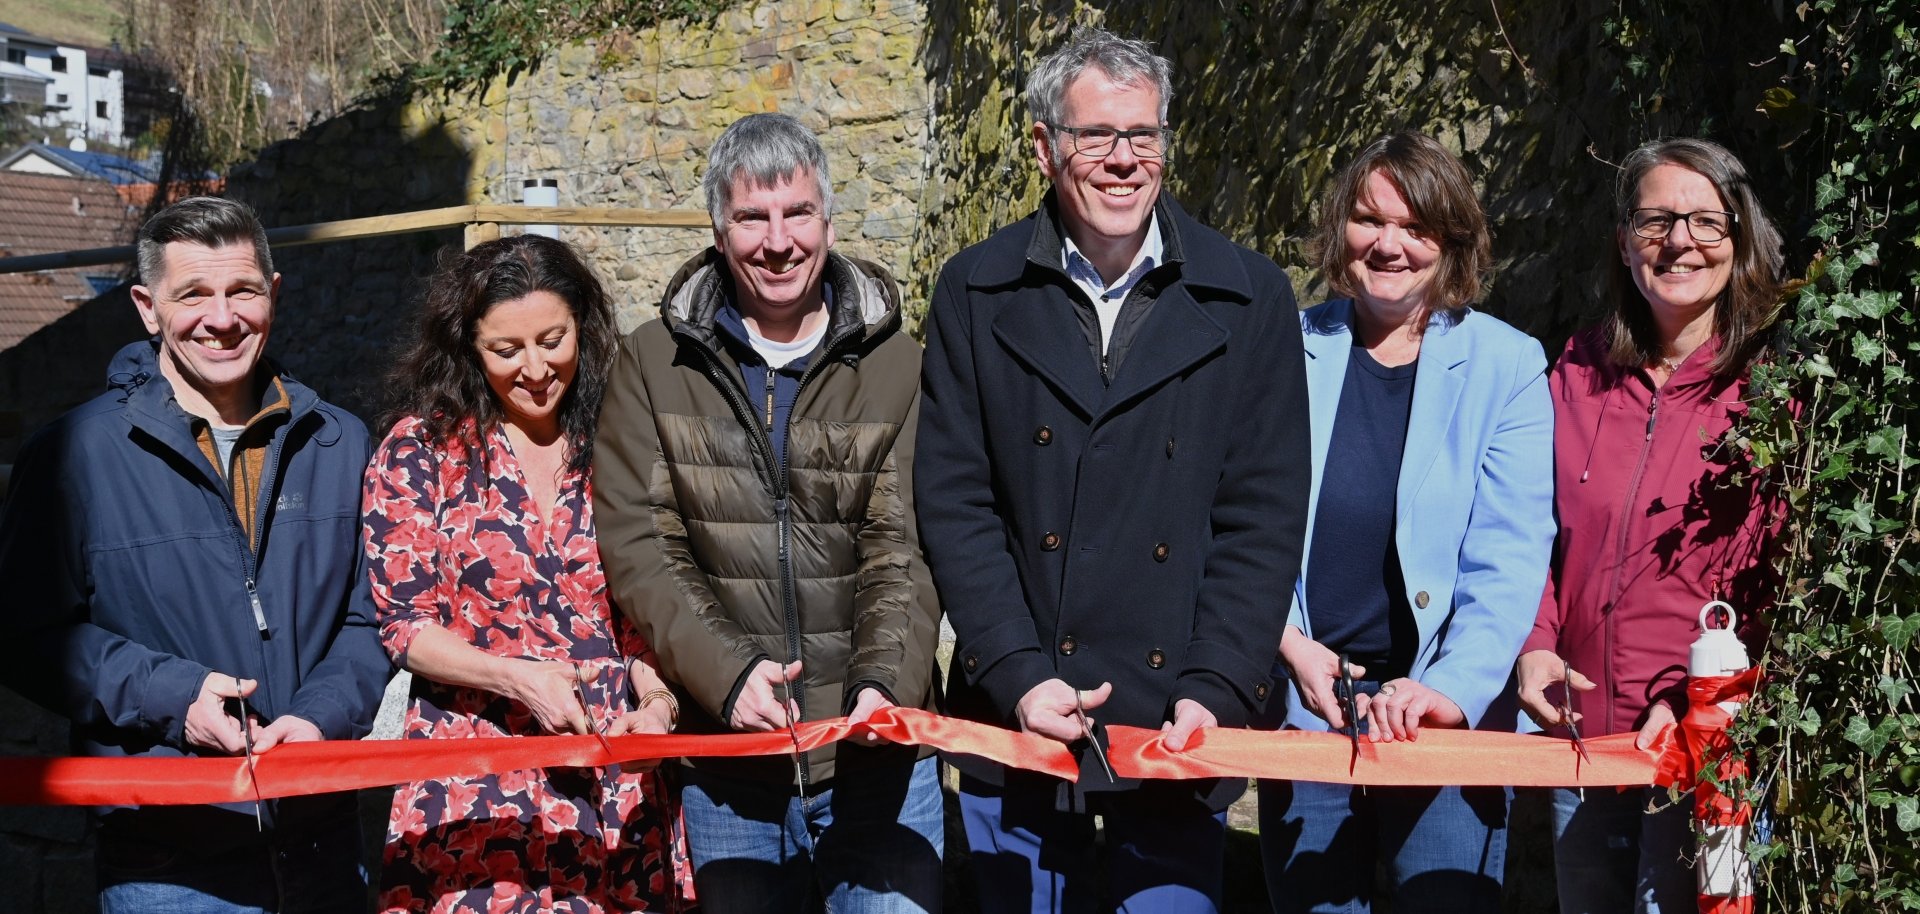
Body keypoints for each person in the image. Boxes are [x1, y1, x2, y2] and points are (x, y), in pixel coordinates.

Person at [916, 28, 1312, 913]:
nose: (1124, 160)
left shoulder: (1247, 296)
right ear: (1044, 146)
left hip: (1175, 719)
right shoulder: (974, 292)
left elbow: (1264, 517)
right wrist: (1019, 674)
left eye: (1145, 135)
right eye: (1097, 136)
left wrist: (1213, 686)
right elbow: (957, 504)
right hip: (1018, 713)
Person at [592, 112, 943, 912]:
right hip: (730, 768)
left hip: (878, 756)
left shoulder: (897, 364)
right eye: (752, 217)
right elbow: (641, 541)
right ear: (719, 230)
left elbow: (904, 542)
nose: (777, 241)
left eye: (798, 213)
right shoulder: (653, 363)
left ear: (828, 219)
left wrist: (883, 684)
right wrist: (730, 675)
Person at [0, 196, 390, 912]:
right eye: (193, 295)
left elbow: (371, 619)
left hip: (324, 847)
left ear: (272, 294)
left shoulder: (342, 443)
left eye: (242, 290)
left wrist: (322, 716)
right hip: (168, 859)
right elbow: (24, 635)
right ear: (148, 308)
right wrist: (173, 698)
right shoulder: (73, 455)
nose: (221, 318)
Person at [1257, 131, 1556, 913]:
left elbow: (1510, 555)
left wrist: (1445, 692)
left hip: (1442, 717)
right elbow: (1239, 523)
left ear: (1450, 242)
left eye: (1416, 227)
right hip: (1306, 704)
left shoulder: (1507, 366)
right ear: (1339, 230)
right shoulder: (1281, 348)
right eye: (1368, 219)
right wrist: (1290, 647)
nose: (1389, 245)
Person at [362, 234, 689, 913]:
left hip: (612, 778)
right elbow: (405, 626)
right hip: (474, 778)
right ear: (467, 348)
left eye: (553, 339)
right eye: (506, 350)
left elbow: (651, 609)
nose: (537, 368)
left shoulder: (622, 443)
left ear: (584, 328)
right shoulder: (421, 452)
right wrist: (515, 677)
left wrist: (658, 708)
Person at [1516, 137, 1787, 914]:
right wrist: (1535, 646)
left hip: (1705, 748)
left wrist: (1702, 696)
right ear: (1623, 242)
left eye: (1705, 220)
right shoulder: (1577, 370)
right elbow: (1530, 530)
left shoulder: (1775, 391)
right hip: (1586, 742)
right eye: (1654, 220)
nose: (1679, 242)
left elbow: (1780, 579)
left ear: (1740, 236)